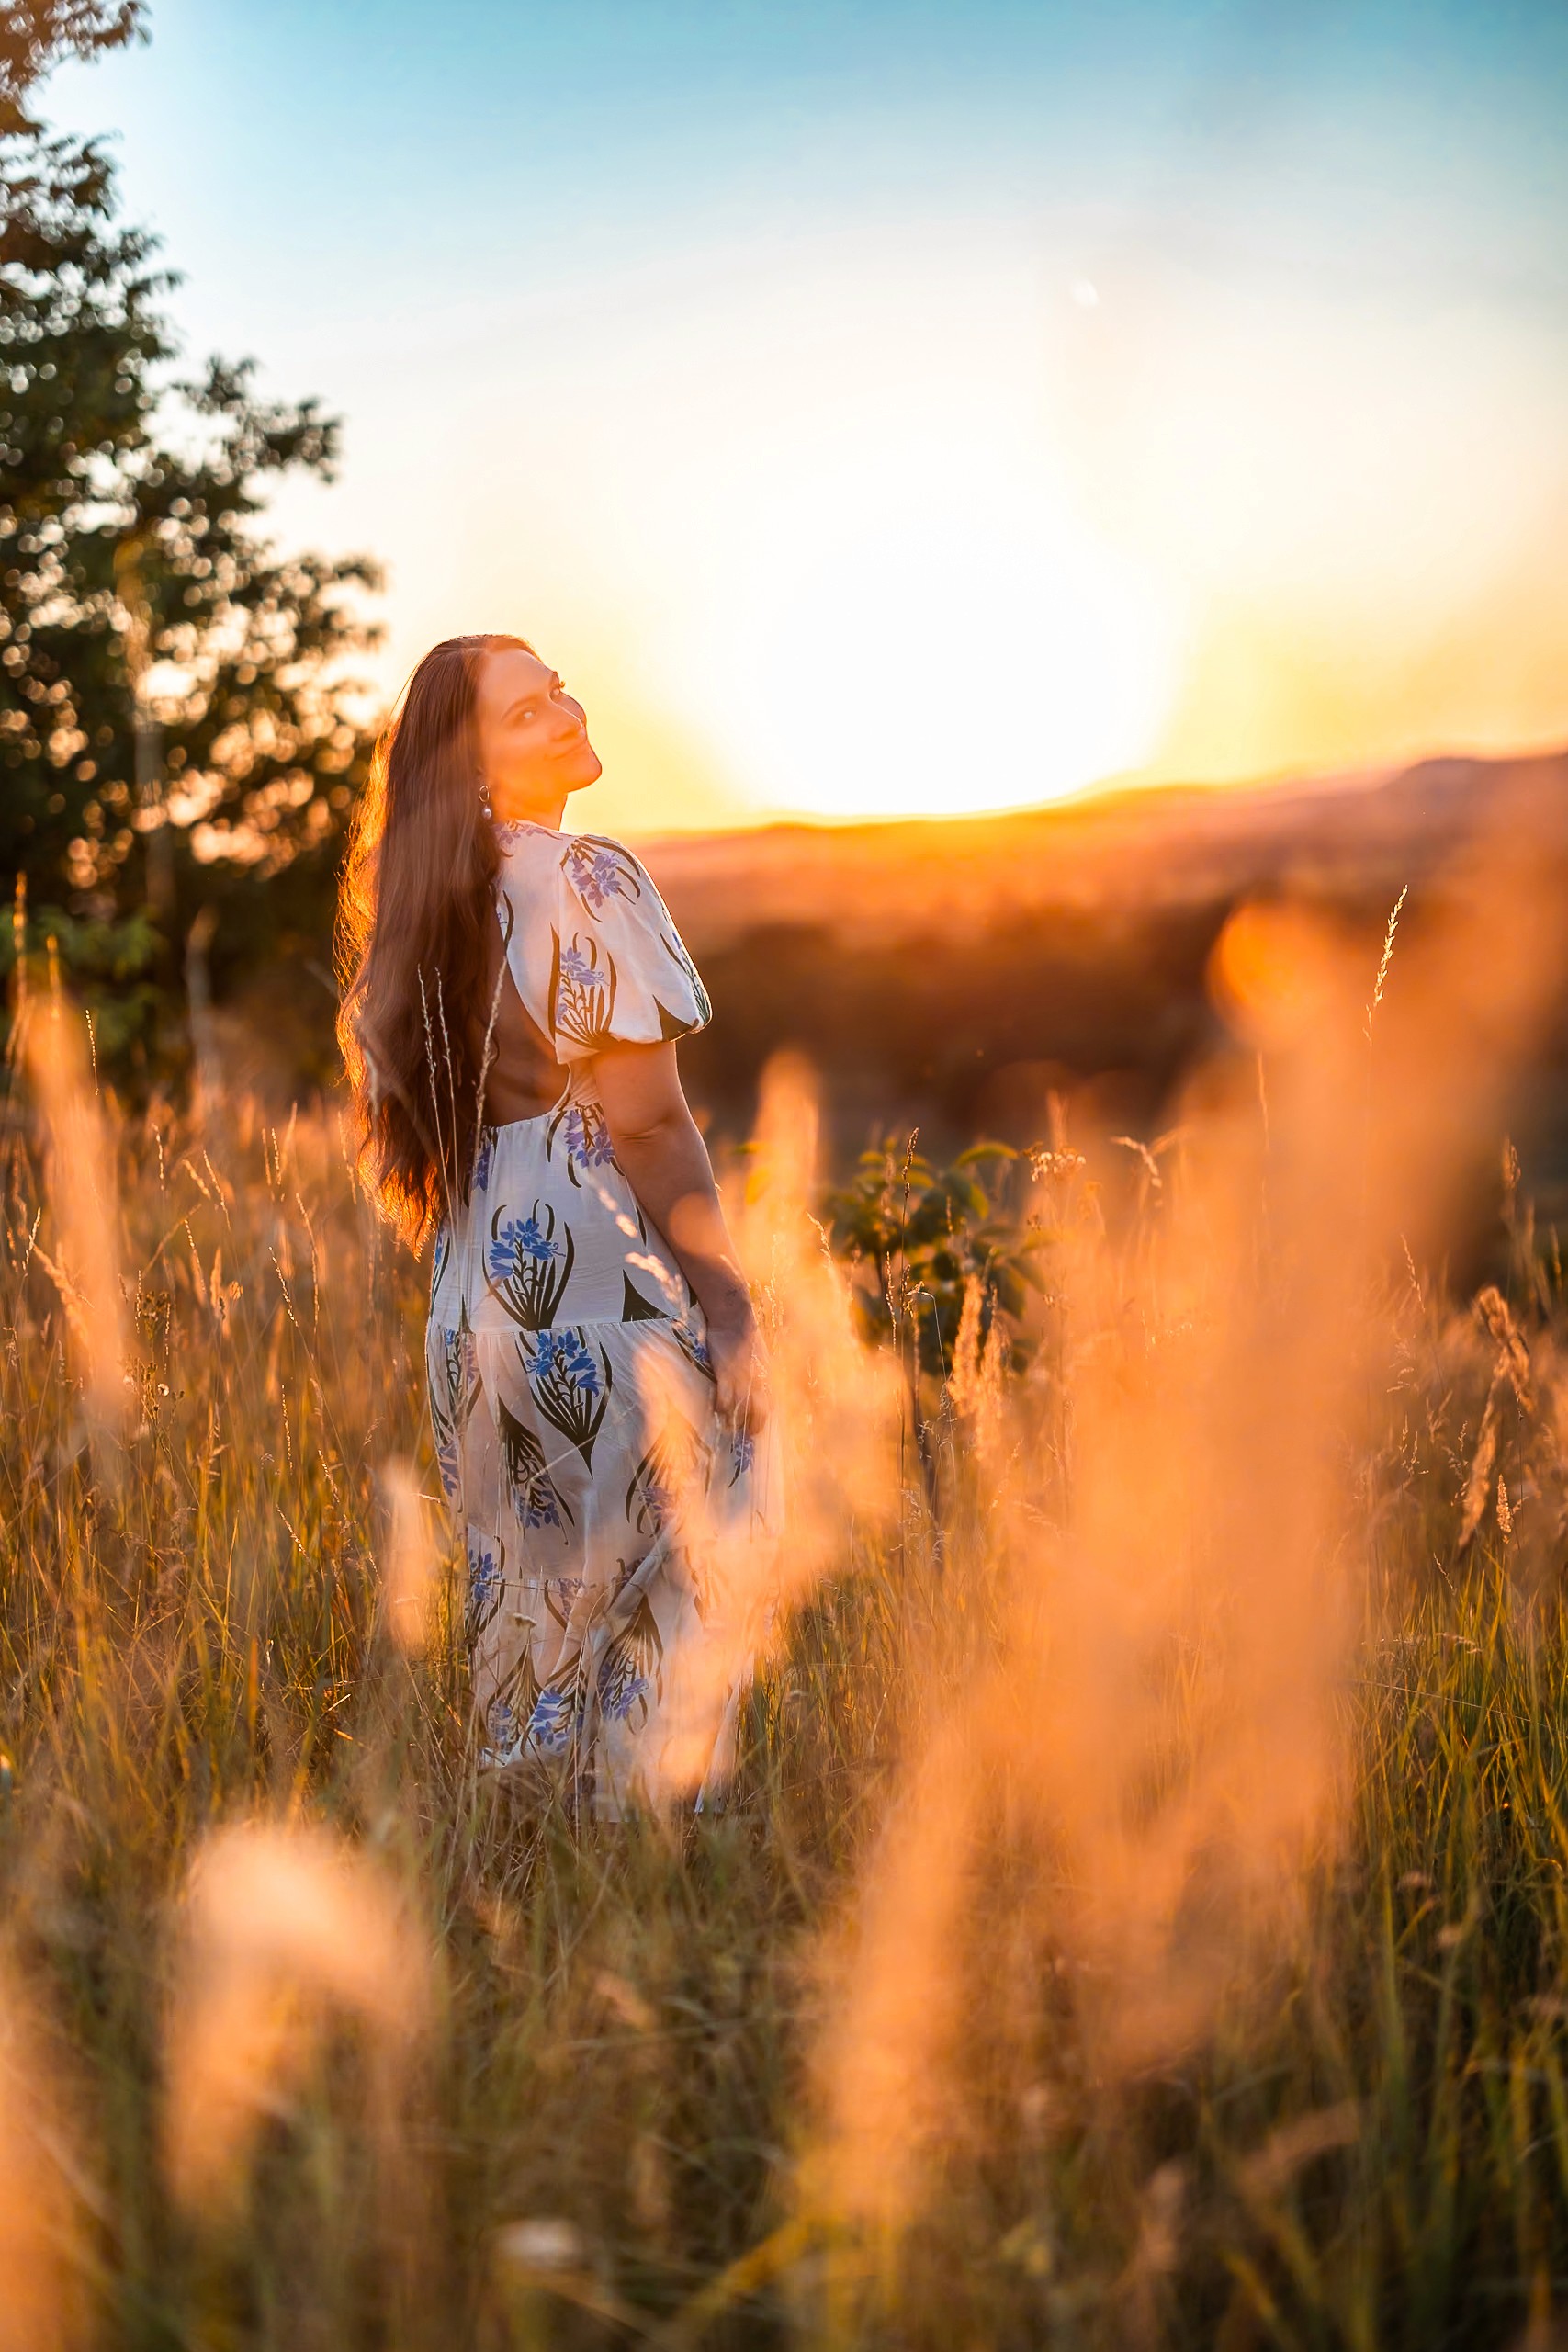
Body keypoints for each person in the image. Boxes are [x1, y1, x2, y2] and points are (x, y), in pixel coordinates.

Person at [336, 632, 778, 1815]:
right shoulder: (588, 878)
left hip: (473, 1321)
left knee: (531, 1623)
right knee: (677, 1588)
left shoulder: (416, 913)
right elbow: (649, 1123)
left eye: (559, 691)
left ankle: (529, 1879)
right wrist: (731, 1305)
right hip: (601, 1292)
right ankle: (648, 1870)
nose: (567, 713)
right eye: (526, 713)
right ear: (474, 763)